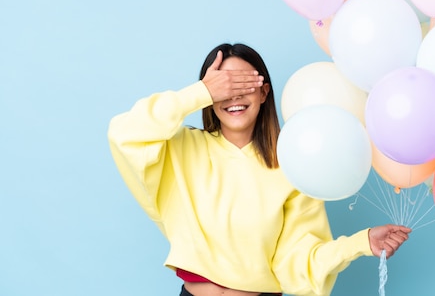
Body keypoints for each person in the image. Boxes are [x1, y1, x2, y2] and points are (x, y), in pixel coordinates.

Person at [108, 42, 412, 296]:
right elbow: (124, 134)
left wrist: (361, 243)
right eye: (223, 86)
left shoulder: (292, 164)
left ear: (264, 92)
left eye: (244, 84)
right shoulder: (181, 149)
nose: (234, 96)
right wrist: (200, 92)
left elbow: (299, 262)